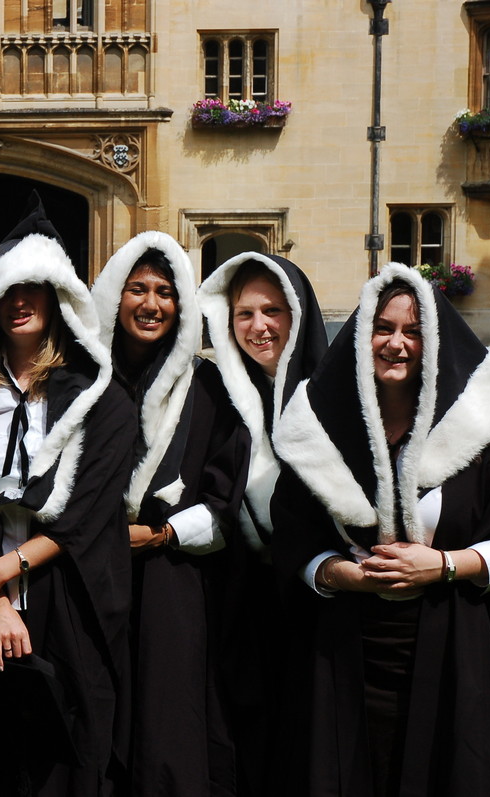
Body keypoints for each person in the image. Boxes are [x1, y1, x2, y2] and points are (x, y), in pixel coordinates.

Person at [271, 263, 490, 797]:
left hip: (457, 652)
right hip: (344, 655)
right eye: (384, 328)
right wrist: (341, 576)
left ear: (436, 342)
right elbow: (293, 541)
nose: (396, 344)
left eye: (414, 331)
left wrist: (445, 565)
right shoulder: (317, 442)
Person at [0, 195, 136, 795]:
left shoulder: (101, 399)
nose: (19, 302)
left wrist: (3, 576)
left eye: (34, 289)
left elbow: (87, 512)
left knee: (63, 761)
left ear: (58, 297)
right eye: (7, 290)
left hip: (64, 598)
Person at [89, 230, 247, 797]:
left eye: (164, 291)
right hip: (88, 575)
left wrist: (159, 535)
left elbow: (225, 496)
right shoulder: (84, 382)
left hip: (173, 582)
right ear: (114, 294)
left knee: (167, 715)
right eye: (137, 289)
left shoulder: (206, 387)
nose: (151, 304)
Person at [197, 252, 327, 795]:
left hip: (323, 603)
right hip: (246, 598)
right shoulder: (221, 396)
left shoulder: (335, 393)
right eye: (244, 314)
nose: (259, 327)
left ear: (296, 314)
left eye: (272, 310)